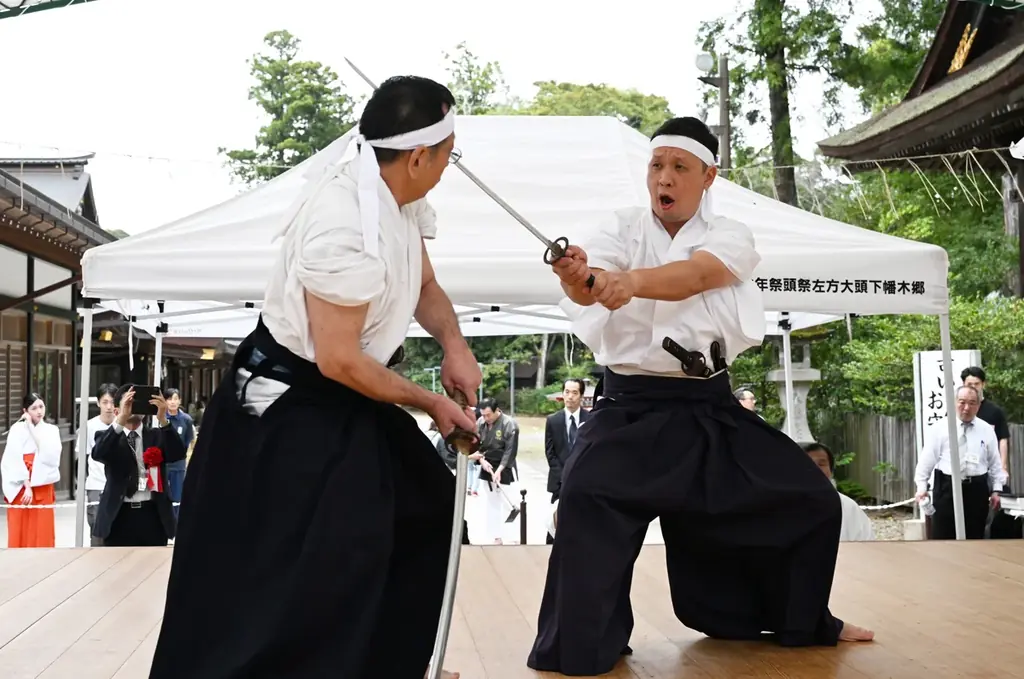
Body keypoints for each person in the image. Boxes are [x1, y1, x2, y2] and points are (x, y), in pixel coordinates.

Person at [148, 76, 480, 679]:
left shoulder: (399, 198)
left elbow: (425, 284)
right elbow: (339, 360)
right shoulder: (342, 224)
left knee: (423, 504)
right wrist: (431, 402)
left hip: (342, 393)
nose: (448, 167)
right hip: (285, 400)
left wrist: (455, 346)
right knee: (321, 550)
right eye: (447, 154)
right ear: (417, 156)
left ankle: (390, 663)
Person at [527, 117, 873, 676]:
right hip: (627, 409)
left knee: (809, 498)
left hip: (708, 410)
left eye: (679, 167)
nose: (664, 177)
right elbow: (590, 286)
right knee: (585, 498)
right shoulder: (621, 227)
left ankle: (803, 618)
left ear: (708, 176)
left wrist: (628, 283)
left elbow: (696, 276)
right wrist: (578, 277)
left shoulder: (729, 234)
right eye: (656, 165)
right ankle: (582, 642)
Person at [91, 384, 185, 547]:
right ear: (116, 410)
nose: (133, 408)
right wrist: (121, 418)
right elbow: (99, 453)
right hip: (119, 515)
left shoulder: (157, 435)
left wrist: (163, 420)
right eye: (129, 403)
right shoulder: (109, 437)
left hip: (152, 514)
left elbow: (178, 454)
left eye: (138, 403)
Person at [914, 384, 1005, 540]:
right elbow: (926, 460)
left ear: (978, 406)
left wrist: (997, 490)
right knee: (943, 536)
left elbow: (995, 464)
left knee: (974, 536)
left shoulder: (986, 430)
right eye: (962, 402)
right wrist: (921, 487)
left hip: (976, 489)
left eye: (972, 403)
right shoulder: (940, 428)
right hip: (946, 487)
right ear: (954, 402)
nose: (966, 408)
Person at [1, 393, 62, 548]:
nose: (39, 411)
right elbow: (12, 458)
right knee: (20, 529)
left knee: (42, 530)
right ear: (25, 411)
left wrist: (31, 429)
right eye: (34, 408)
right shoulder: (16, 429)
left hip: (42, 483)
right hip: (20, 486)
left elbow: (51, 456)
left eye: (41, 406)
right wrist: (26, 483)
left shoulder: (51, 430)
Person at [545, 378, 590, 544]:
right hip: (559, 482)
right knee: (555, 525)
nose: (570, 396)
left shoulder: (590, 419)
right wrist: (564, 476)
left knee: (582, 524)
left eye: (575, 393)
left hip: (584, 481)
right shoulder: (553, 420)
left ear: (581, 396)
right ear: (562, 394)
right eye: (567, 392)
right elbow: (550, 453)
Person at [803, 442, 874, 541]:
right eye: (807, 463)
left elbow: (866, 542)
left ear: (831, 471)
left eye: (821, 464)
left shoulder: (847, 506)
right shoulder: (784, 504)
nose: (815, 469)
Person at [78, 383, 118, 545]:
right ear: (98, 403)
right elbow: (82, 456)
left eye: (112, 402)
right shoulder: (89, 426)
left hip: (116, 483)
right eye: (105, 402)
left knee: (117, 525)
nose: (109, 407)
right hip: (96, 482)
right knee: (96, 524)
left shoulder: (123, 425)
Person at [476, 398, 519, 544]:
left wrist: (500, 469)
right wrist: (482, 461)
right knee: (492, 503)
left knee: (509, 503)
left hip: (505, 466)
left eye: (488, 415)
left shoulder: (509, 424)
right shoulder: (480, 423)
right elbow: (475, 445)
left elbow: (510, 450)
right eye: (483, 415)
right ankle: (496, 536)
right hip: (486, 464)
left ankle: (511, 536)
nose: (485, 418)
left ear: (497, 410)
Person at [162, 387, 195, 520]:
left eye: (175, 399)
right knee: (162, 496)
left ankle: (176, 524)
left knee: (177, 497)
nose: (173, 402)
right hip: (163, 464)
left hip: (179, 465)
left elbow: (188, 441)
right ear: (165, 401)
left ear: (180, 401)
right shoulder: (160, 417)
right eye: (169, 399)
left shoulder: (186, 420)